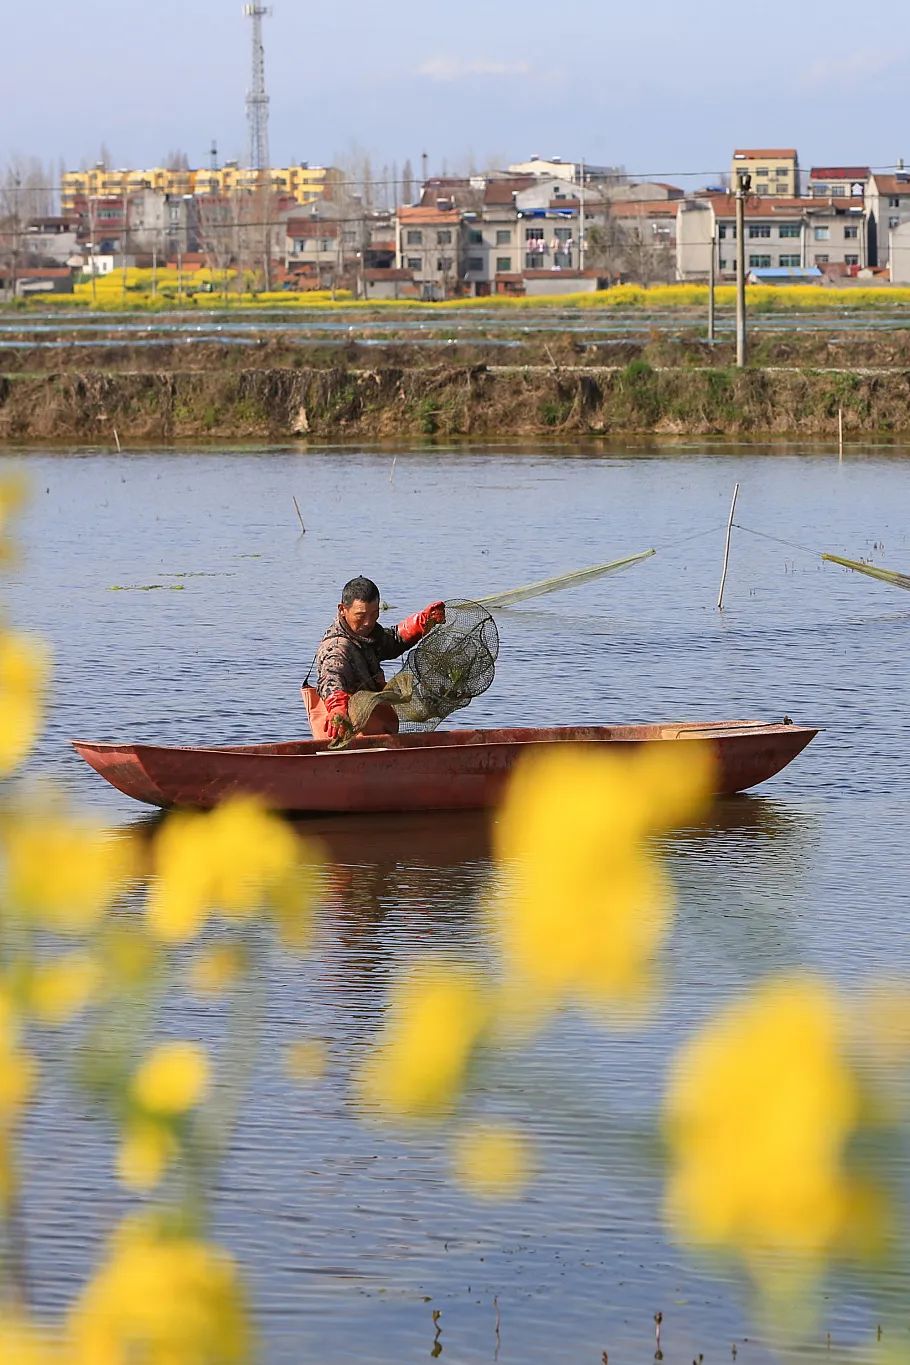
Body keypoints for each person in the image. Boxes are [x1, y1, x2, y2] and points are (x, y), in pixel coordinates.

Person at [302, 576, 445, 742]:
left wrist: (423, 621)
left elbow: (393, 641)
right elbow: (331, 678)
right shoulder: (336, 647)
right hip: (346, 732)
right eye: (360, 615)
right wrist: (337, 709)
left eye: (374, 614)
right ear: (342, 609)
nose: (368, 622)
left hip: (372, 728)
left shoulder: (365, 635)